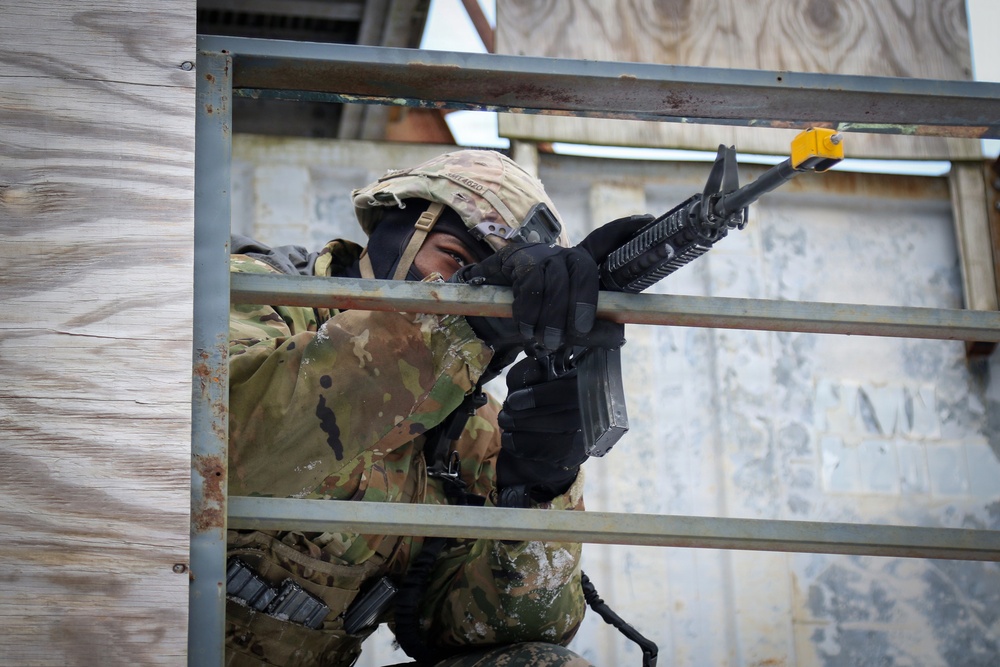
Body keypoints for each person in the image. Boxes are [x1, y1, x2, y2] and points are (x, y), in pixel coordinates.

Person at [225, 149, 648, 667]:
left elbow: (491, 633)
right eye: (456, 261)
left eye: (498, 296)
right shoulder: (251, 292)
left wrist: (537, 489)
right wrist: (456, 323)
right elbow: (228, 451)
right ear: (393, 232)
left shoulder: (471, 429)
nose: (474, 297)